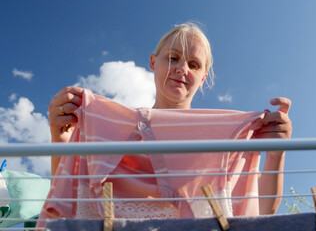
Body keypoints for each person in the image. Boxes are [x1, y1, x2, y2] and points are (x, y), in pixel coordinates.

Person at [47, 22, 292, 216]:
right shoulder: (110, 127)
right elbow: (66, 195)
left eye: (194, 65)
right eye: (173, 58)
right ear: (153, 62)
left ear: (203, 78)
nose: (182, 68)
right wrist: (60, 137)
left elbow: (261, 209)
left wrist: (275, 154)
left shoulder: (223, 140)